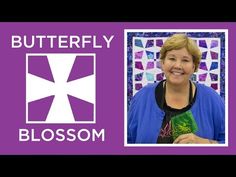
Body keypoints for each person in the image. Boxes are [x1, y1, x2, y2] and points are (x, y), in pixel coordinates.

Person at [127, 33, 225, 144]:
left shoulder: (212, 99)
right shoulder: (141, 98)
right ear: (163, 63)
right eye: (172, 58)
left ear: (194, 66)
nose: (178, 65)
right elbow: (127, 141)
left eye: (185, 60)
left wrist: (205, 143)